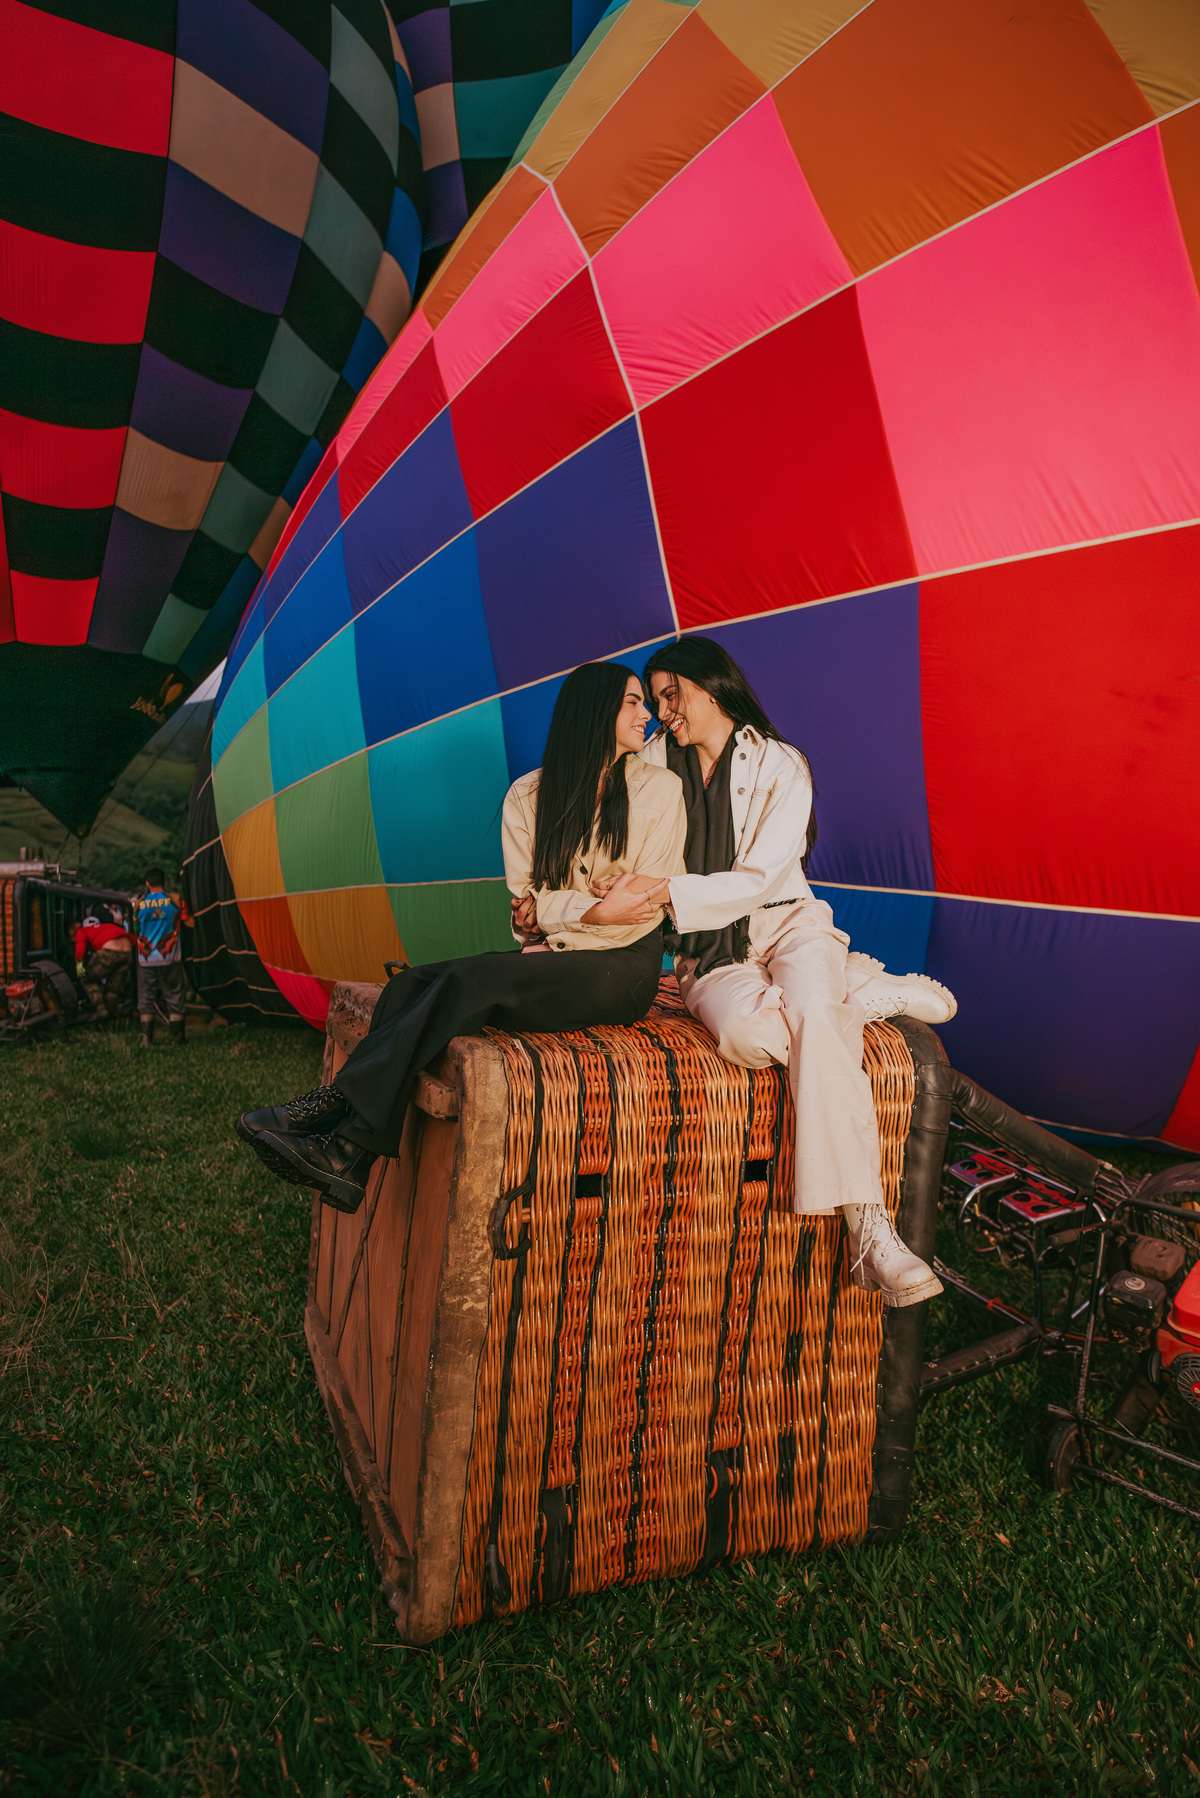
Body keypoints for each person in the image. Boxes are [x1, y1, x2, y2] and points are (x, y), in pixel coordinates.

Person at [236, 663, 687, 1213]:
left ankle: (331, 1115)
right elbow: (527, 902)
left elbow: (643, 905)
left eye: (646, 702)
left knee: (472, 978)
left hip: (626, 966)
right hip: (554, 956)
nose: (648, 715)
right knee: (412, 985)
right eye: (633, 702)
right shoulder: (527, 796)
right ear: (594, 712)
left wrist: (562, 913)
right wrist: (587, 908)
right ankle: (349, 1160)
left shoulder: (662, 790)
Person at [623, 636, 956, 1309]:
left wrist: (658, 892)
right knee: (751, 1036)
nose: (663, 712)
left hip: (788, 921)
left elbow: (756, 879)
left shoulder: (781, 763)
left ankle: (870, 1231)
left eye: (671, 694)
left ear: (709, 687)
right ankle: (858, 993)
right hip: (711, 949)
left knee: (808, 1013)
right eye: (654, 700)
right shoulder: (653, 764)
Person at [131, 868, 193, 1048]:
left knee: (146, 997)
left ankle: (146, 1039)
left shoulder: (138, 904)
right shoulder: (175, 899)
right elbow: (190, 922)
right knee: (174, 995)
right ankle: (177, 1038)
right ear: (163, 882)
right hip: (170, 957)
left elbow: (136, 929)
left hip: (146, 959)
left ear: (147, 884)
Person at [73, 913, 134, 1018]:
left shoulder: (82, 931)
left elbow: (80, 945)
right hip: (128, 951)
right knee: (114, 987)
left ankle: (100, 1008)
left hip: (109, 951)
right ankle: (113, 1013)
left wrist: (79, 962)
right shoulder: (106, 927)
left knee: (86, 977)